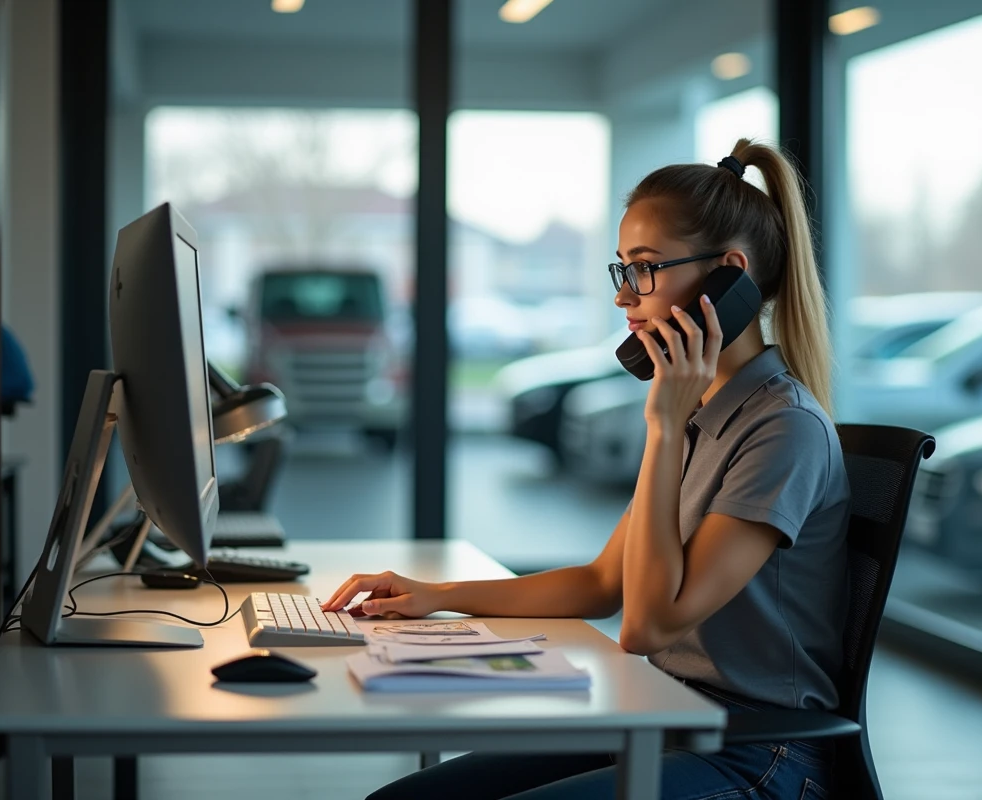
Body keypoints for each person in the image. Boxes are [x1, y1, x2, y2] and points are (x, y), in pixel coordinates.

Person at [322, 138, 850, 800]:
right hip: (662, 715)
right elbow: (605, 581)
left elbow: (648, 626)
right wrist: (438, 596)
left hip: (754, 753)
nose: (624, 298)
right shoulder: (699, 411)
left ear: (729, 275)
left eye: (646, 269)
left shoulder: (782, 429)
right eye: (620, 271)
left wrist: (661, 428)